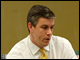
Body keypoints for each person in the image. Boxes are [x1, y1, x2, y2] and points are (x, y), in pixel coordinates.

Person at [6, 5, 78, 59]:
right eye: (44, 27)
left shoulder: (63, 46)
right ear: (30, 27)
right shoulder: (16, 55)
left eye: (51, 27)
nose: (49, 32)